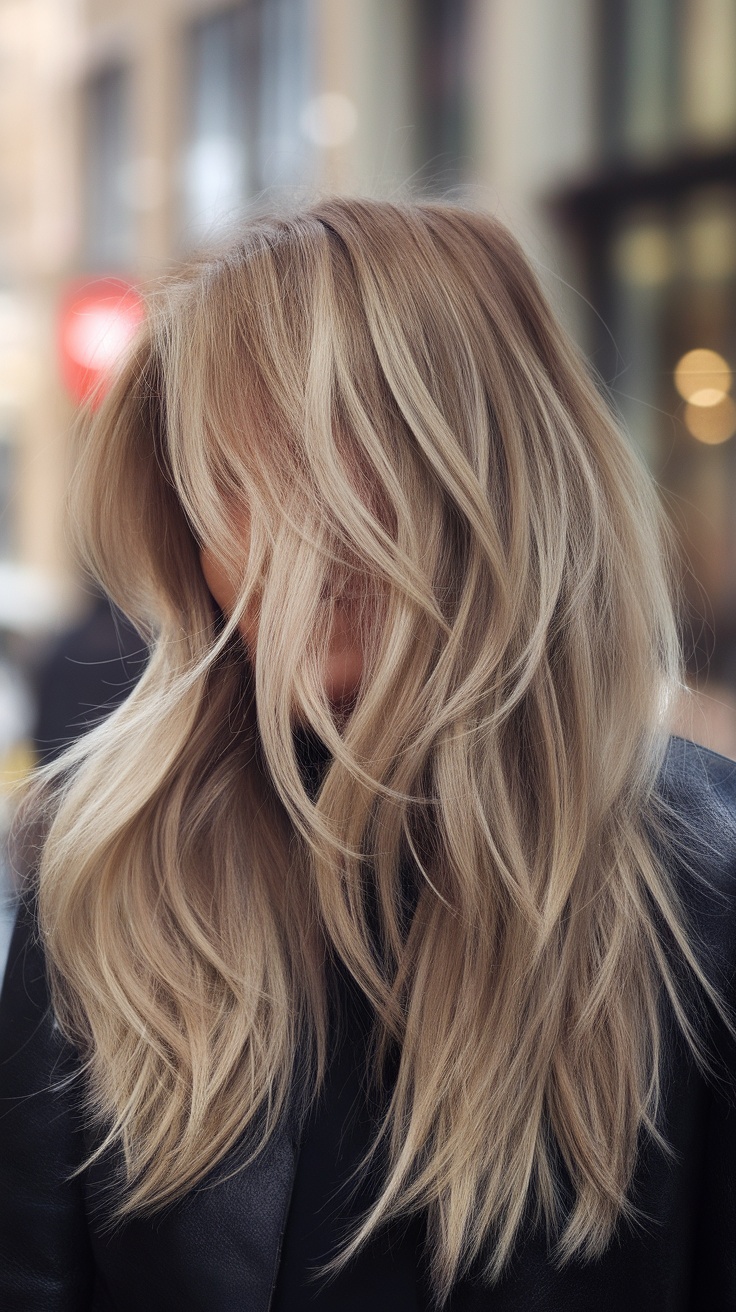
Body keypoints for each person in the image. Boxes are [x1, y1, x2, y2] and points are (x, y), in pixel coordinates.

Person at [0, 197, 734, 1312]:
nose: (275, 545)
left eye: (328, 464)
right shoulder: (106, 866)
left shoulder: (702, 889)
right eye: (229, 485)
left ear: (480, 468)